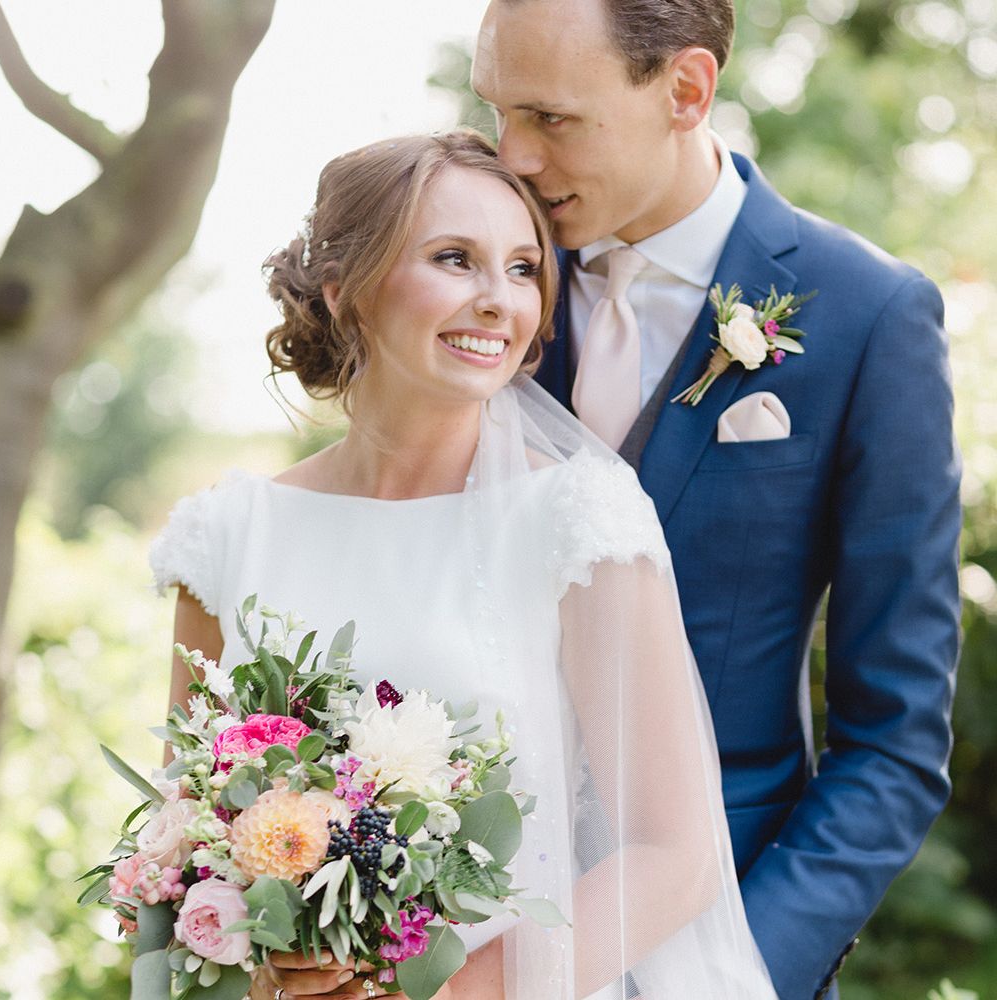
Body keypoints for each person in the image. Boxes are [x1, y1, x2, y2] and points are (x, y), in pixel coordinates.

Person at [150, 131, 777, 999]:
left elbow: (674, 852)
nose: (498, 301)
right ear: (344, 289)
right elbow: (183, 836)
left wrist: (450, 993)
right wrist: (259, 967)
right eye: (455, 259)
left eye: (523, 269)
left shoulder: (577, 518)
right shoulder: (227, 534)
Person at [471, 2, 963, 998]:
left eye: (550, 117)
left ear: (686, 90)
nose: (512, 156)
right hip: (469, 937)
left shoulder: (868, 316)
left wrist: (738, 974)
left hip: (721, 939)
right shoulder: (475, 288)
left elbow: (895, 740)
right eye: (497, 111)